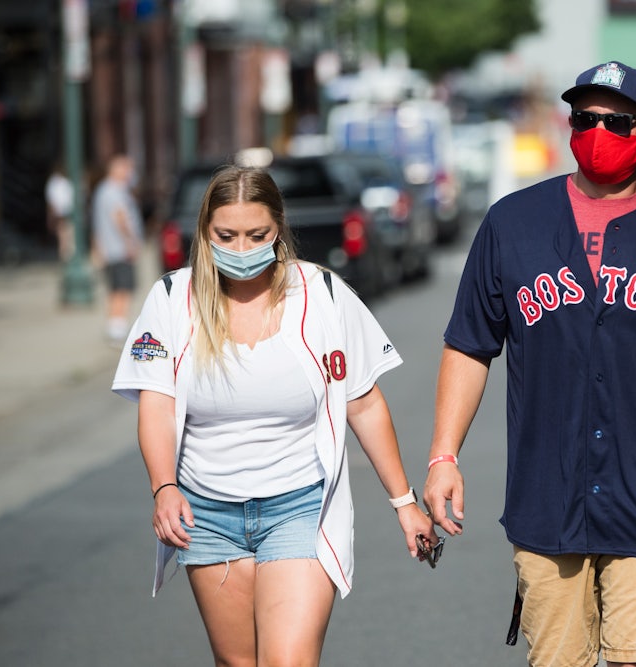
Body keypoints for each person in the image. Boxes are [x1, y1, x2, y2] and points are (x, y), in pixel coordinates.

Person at [422, 61, 636, 667]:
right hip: (548, 501)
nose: (598, 131)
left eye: (617, 121)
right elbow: (469, 345)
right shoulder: (512, 223)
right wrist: (444, 455)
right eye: (585, 117)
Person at [111, 165, 437, 666]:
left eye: (257, 235)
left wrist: (404, 502)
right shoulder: (173, 300)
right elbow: (157, 402)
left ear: (279, 230)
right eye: (226, 236)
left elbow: (363, 402)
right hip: (207, 513)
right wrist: (163, 487)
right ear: (205, 232)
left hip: (300, 507)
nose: (242, 249)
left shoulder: (322, 295)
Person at [92, 154, 144, 344]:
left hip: (110, 249)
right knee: (123, 288)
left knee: (114, 288)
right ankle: (118, 327)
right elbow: (120, 218)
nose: (130, 173)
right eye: (127, 169)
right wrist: (131, 242)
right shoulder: (115, 191)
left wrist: (97, 247)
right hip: (120, 249)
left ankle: (115, 324)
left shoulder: (103, 190)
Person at [45, 165, 75, 262]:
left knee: (69, 236)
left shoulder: (68, 181)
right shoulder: (55, 182)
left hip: (69, 213)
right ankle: (66, 259)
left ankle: (69, 257)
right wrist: (51, 216)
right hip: (61, 214)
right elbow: (52, 202)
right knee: (64, 237)